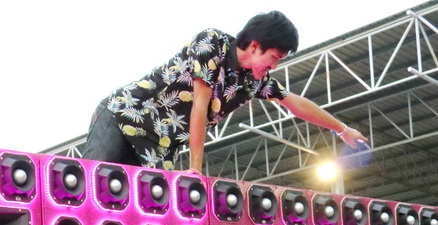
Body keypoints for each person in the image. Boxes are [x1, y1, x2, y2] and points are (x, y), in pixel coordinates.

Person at [82, 11, 368, 173]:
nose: (274, 66)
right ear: (255, 46)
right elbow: (199, 105)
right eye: (274, 58)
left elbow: (296, 104)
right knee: (93, 188)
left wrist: (342, 130)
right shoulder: (212, 43)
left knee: (137, 212)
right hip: (123, 117)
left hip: (157, 148)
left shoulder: (253, 81)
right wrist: (195, 168)